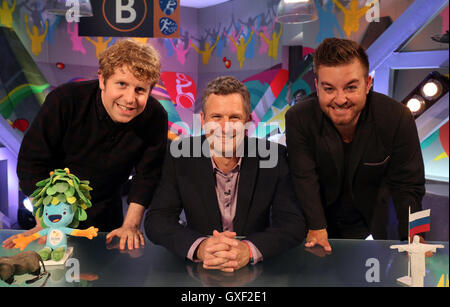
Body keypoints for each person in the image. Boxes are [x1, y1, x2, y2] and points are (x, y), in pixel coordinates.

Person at [3, 39, 168, 251]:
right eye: (121, 84)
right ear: (102, 79)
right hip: (53, 209)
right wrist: (46, 219)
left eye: (140, 90)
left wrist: (131, 226)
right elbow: (31, 164)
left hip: (108, 216)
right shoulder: (64, 101)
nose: (130, 99)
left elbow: (148, 175)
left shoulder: (155, 116)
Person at [145, 76, 305, 272]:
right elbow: (157, 220)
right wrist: (201, 247)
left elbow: (293, 223)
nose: (225, 127)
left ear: (247, 121)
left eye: (234, 118)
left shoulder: (274, 157)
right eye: (217, 117)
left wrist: (249, 249)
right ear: (203, 120)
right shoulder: (180, 156)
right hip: (198, 272)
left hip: (256, 272)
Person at [285, 38, 425, 250]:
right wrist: (316, 226)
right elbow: (304, 178)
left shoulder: (397, 117)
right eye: (329, 89)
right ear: (317, 85)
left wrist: (414, 236)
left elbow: (408, 185)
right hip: (316, 220)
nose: (340, 99)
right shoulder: (298, 117)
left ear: (367, 84)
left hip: (373, 221)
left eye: (351, 87)